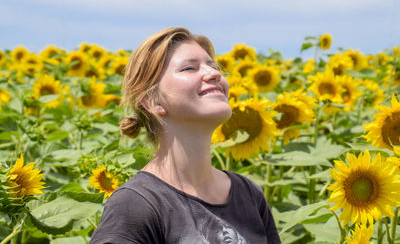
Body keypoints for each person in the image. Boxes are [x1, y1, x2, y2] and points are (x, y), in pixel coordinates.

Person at [90, 27, 281, 244]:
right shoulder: (136, 205)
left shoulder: (247, 194)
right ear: (153, 101)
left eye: (213, 66)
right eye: (189, 68)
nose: (215, 73)